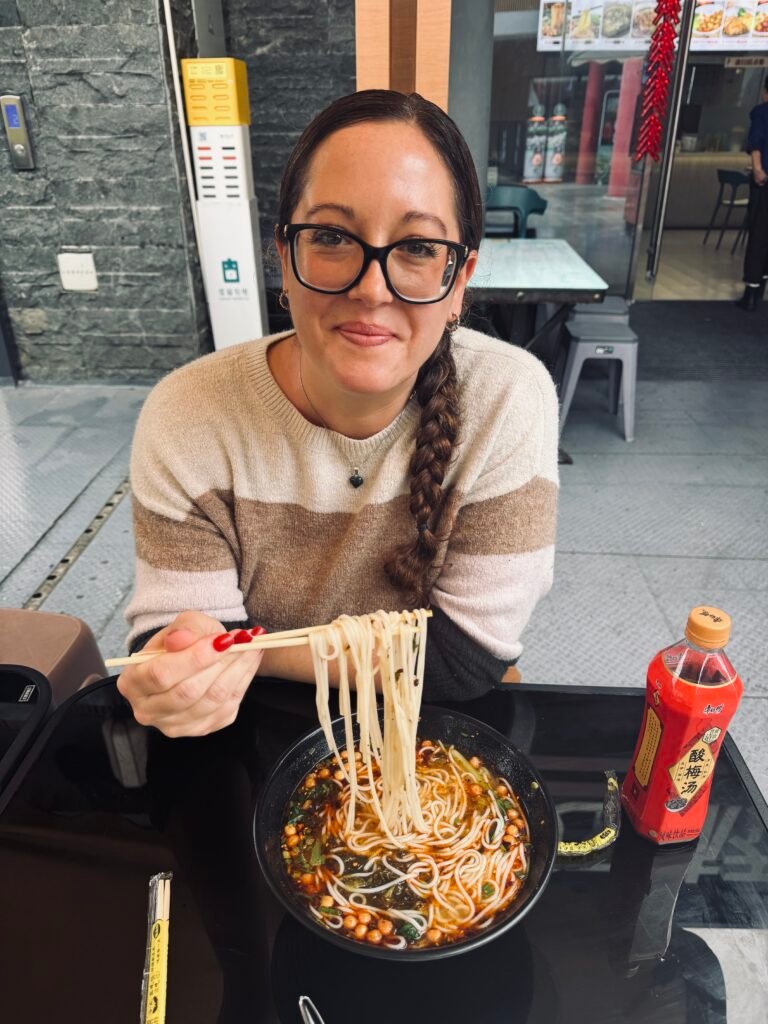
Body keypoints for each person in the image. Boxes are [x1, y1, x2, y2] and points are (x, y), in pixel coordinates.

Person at [117, 90, 559, 738]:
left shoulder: (508, 399)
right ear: (284, 259)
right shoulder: (188, 414)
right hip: (250, 745)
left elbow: (464, 658)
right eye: (330, 237)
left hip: (431, 736)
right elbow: (185, 637)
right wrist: (182, 674)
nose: (371, 288)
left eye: (416, 247)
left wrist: (249, 650)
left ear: (459, 280)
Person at [736, 77, 768, 312]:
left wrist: (757, 169)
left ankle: (750, 293)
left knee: (758, 234)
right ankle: (760, 292)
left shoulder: (761, 112)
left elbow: (755, 142)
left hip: (765, 181)